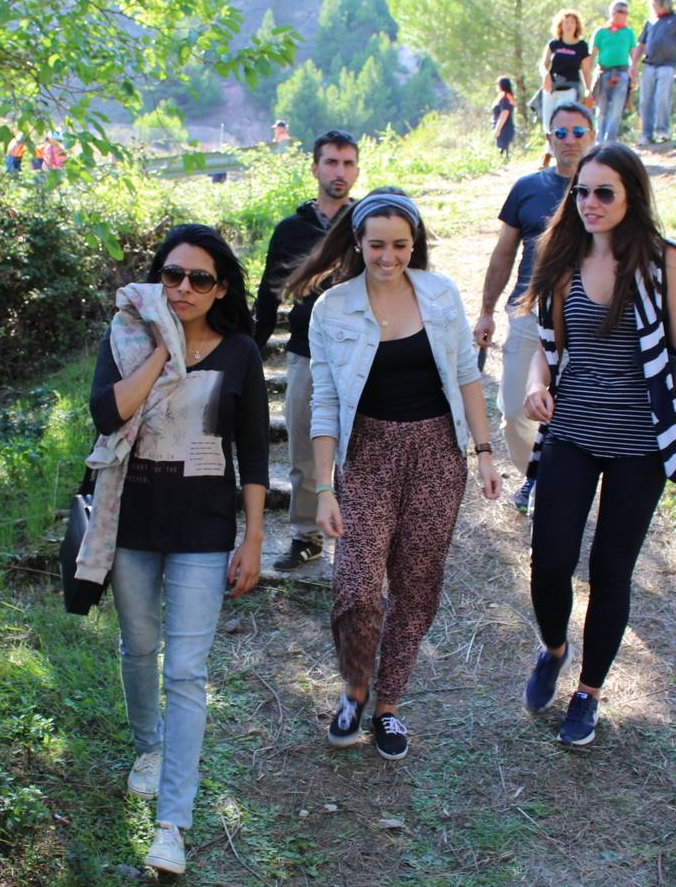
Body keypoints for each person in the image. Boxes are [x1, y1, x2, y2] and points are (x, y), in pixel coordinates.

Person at [84, 225, 269, 875]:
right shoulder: (128, 338)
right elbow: (106, 415)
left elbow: (251, 453)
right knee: (138, 646)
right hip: (132, 525)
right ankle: (147, 747)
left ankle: (172, 823)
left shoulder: (241, 352)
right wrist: (163, 352)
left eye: (197, 278)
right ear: (157, 278)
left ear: (220, 287)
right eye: (171, 275)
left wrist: (252, 535)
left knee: (186, 672)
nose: (182, 288)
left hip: (205, 531)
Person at [296, 188, 503, 761]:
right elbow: (324, 403)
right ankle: (355, 686)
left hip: (437, 451)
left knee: (416, 583)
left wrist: (484, 452)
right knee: (357, 584)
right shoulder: (332, 309)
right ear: (358, 243)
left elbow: (465, 374)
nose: (389, 256)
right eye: (377, 245)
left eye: (401, 245)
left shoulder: (439, 294)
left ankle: (388, 705)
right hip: (366, 454)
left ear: (415, 244)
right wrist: (321, 486)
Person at [519, 143, 676, 746]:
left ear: (631, 197)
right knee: (549, 560)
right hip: (572, 430)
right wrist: (535, 385)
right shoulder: (563, 257)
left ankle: (588, 692)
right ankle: (552, 647)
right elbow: (547, 351)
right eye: (582, 191)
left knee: (610, 568)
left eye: (605, 192)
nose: (590, 203)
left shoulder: (661, 261)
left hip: (640, 442)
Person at [473, 102, 596, 515]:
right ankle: (535, 476)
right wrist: (487, 310)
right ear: (548, 139)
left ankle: (559, 489)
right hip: (529, 311)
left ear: (592, 136)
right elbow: (503, 254)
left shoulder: (606, 188)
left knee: (577, 412)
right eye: (560, 133)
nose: (570, 141)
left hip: (590, 317)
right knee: (514, 409)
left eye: (578, 132)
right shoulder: (527, 187)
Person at [253, 130, 360, 572]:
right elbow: (266, 297)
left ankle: (360, 540)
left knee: (360, 452)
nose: (340, 172)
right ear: (315, 168)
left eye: (348, 163)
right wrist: (248, 353)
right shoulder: (290, 230)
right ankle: (306, 536)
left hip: (360, 354)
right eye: (331, 162)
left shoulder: (368, 222)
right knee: (302, 449)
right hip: (305, 354)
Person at [630, 0, 676, 145]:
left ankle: (662, 131)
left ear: (663, 2)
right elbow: (641, 44)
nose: (651, 5)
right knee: (645, 101)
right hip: (649, 65)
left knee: (662, 99)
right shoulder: (650, 22)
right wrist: (634, 65)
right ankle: (646, 134)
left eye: (653, 2)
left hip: (667, 66)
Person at [539, 11, 592, 167]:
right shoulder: (554, 44)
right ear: (560, 25)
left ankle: (549, 155)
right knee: (548, 122)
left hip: (570, 87)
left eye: (572, 22)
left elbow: (586, 70)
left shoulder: (582, 46)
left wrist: (589, 90)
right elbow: (543, 64)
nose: (569, 25)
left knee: (561, 121)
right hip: (551, 87)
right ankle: (550, 151)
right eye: (566, 22)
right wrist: (546, 75)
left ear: (577, 26)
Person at [589, 0, 637, 144]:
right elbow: (592, 56)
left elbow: (633, 56)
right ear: (612, 12)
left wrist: (634, 77)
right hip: (603, 73)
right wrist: (589, 81)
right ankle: (599, 142)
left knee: (616, 110)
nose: (624, 15)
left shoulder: (628, 33)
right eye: (620, 11)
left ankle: (610, 141)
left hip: (622, 74)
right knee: (601, 110)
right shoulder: (601, 32)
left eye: (626, 12)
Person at [492, 76, 517, 160]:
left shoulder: (505, 98)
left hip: (504, 129)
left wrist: (497, 129)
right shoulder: (504, 96)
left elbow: (504, 113)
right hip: (504, 128)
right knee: (502, 153)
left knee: (503, 154)